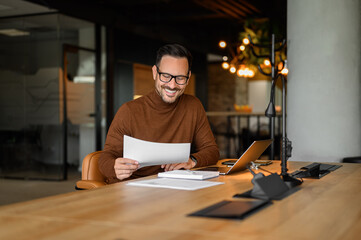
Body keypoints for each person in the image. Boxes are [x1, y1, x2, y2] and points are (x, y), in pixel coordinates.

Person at [99, 43, 219, 184]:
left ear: (188, 76)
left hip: (176, 187)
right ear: (155, 72)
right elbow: (105, 158)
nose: (172, 85)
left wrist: (192, 161)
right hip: (134, 190)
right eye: (166, 76)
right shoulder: (129, 111)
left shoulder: (193, 106)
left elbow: (211, 150)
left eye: (180, 78)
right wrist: (115, 167)